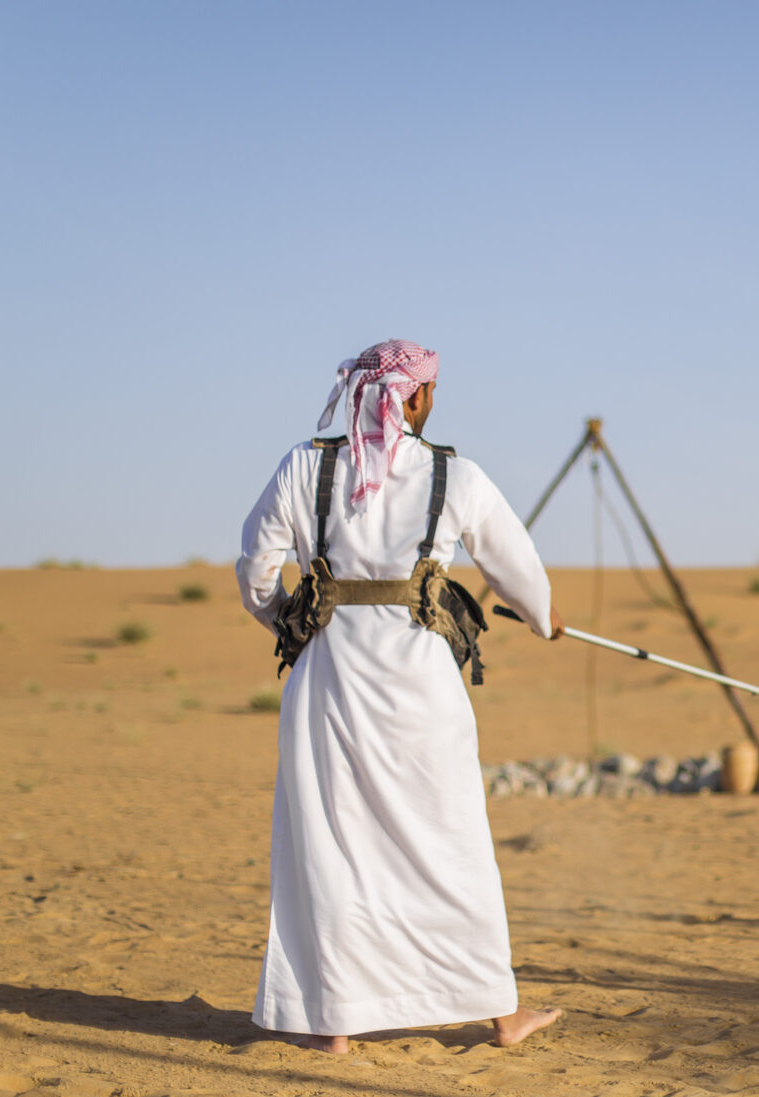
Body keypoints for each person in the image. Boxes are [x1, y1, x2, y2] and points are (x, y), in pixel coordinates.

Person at [235, 339, 564, 1054]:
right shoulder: (456, 475)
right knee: (452, 845)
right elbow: (518, 569)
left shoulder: (303, 465)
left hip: (327, 683)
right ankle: (501, 1015)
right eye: (432, 390)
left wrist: (290, 618)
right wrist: (543, 619)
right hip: (423, 692)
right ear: (415, 398)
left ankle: (336, 1023)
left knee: (334, 843)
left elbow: (256, 568)